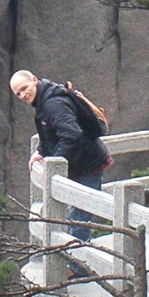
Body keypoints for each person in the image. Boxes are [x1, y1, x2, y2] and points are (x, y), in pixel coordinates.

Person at [10, 69, 113, 248]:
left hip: (88, 163)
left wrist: (54, 163)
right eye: (18, 93)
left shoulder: (52, 104)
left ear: (34, 80)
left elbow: (72, 134)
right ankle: (76, 263)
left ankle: (78, 268)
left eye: (24, 88)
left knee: (79, 217)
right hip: (82, 162)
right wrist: (41, 151)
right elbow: (50, 133)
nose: (22, 95)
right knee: (77, 214)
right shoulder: (44, 100)